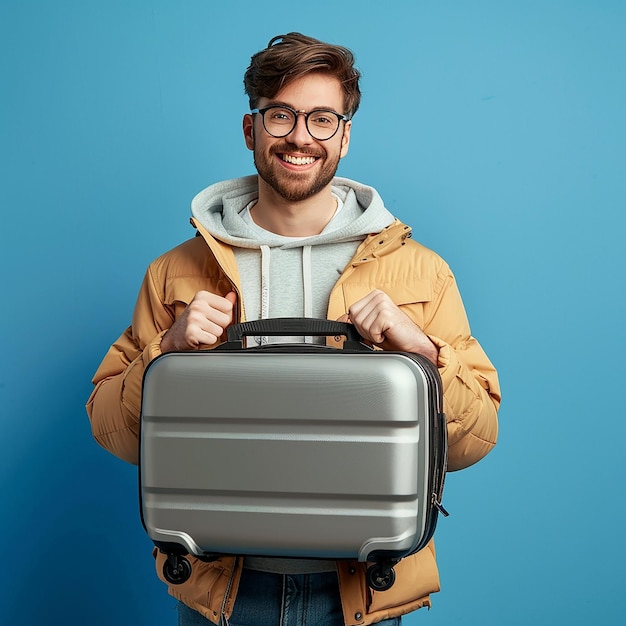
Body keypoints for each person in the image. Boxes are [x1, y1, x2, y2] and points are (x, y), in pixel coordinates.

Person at [87, 32, 500, 626]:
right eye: (281, 115)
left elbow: (473, 441)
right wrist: (166, 352)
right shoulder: (176, 272)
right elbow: (113, 434)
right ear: (252, 129)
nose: (301, 136)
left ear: (345, 134)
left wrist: (424, 353)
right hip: (223, 592)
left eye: (322, 119)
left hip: (362, 590)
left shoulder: (420, 273)